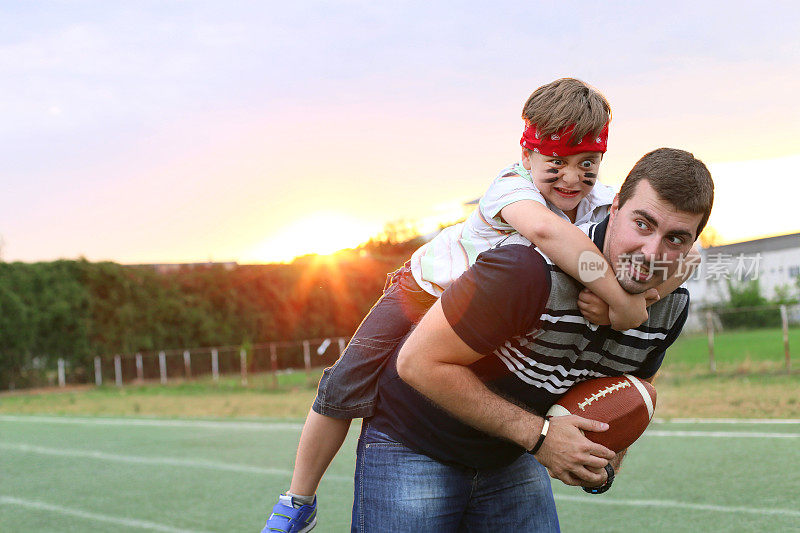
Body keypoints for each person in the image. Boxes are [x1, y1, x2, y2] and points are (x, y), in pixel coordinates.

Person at [262, 80, 687, 533]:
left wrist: (647, 298)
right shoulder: (511, 188)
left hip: (479, 318)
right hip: (424, 291)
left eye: (587, 164)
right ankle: (298, 500)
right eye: (556, 163)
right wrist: (622, 301)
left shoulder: (601, 200)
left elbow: (687, 259)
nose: (570, 178)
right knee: (344, 388)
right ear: (527, 157)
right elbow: (549, 236)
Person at [352, 147, 714, 531]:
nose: (651, 253)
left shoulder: (669, 307)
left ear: (692, 244)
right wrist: (541, 438)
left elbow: (626, 393)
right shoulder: (526, 268)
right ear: (616, 205)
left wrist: (602, 464)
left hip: (511, 451)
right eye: (642, 224)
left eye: (676, 239)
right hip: (416, 440)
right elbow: (417, 363)